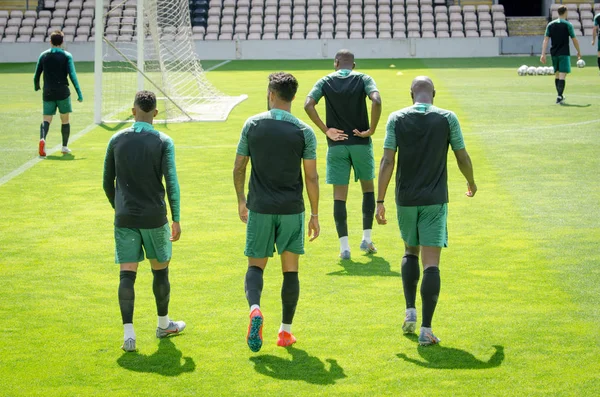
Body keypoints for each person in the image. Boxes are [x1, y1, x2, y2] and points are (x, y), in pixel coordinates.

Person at [376, 77, 476, 346]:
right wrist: (471, 180)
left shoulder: (396, 118)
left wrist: (379, 200)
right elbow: (462, 156)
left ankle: (410, 311)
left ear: (411, 94)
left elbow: (387, 160)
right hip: (434, 199)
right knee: (431, 263)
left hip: (405, 199)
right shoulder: (447, 118)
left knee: (410, 251)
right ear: (434, 93)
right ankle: (426, 329)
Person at [234, 72, 320, 352]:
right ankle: (285, 332)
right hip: (291, 209)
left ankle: (255, 309)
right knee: (290, 272)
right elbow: (311, 177)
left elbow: (239, 167)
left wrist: (241, 201)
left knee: (255, 266)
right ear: (294, 97)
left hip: (260, 207)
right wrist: (315, 214)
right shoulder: (305, 131)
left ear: (270, 94)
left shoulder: (252, 124)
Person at [103, 90, 184, 352]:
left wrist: (120, 208)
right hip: (154, 218)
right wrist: (176, 218)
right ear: (156, 114)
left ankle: (129, 335)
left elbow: (107, 182)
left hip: (125, 217)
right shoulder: (163, 141)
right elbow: (171, 182)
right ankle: (163, 325)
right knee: (160, 271)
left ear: (133, 110)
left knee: (127, 274)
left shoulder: (116, 139)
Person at [304, 49, 382, 260]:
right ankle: (366, 239)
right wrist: (371, 130)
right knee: (368, 189)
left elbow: (307, 104)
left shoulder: (325, 81)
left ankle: (344, 248)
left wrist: (325, 129)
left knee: (340, 196)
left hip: (337, 145)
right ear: (353, 65)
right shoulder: (364, 78)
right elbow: (376, 101)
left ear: (335, 63)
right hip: (361, 143)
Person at [33, 30, 83, 157]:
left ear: (50, 41)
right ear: (62, 42)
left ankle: (43, 139)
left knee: (46, 119)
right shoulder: (67, 56)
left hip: (48, 92)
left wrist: (36, 86)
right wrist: (79, 92)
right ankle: (64, 147)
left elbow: (36, 74)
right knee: (64, 119)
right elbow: (72, 75)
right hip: (63, 92)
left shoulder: (43, 55)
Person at [540, 5, 581, 104]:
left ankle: (560, 95)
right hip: (564, 53)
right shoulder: (568, 25)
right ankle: (559, 96)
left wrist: (543, 54)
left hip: (554, 53)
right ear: (565, 12)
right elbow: (574, 39)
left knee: (557, 75)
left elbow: (545, 40)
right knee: (562, 76)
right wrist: (578, 51)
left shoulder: (550, 24)